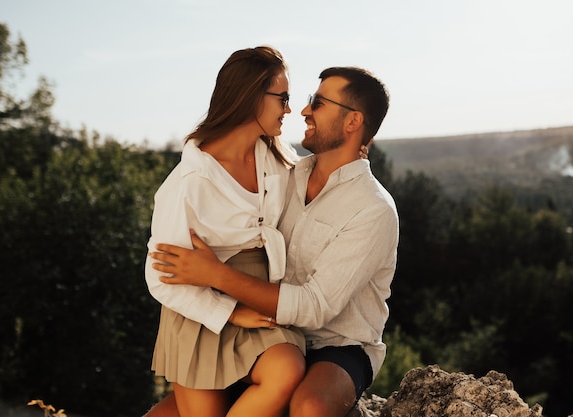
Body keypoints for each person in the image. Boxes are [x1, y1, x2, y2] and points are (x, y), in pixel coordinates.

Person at [150, 66, 399, 417]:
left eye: (318, 102)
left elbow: (314, 308)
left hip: (336, 345)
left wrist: (214, 275)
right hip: (266, 331)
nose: (303, 110)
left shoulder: (373, 210)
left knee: (310, 407)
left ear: (353, 121)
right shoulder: (284, 175)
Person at [143, 46, 307, 417]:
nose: (289, 108)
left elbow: (311, 189)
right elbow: (159, 276)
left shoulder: (276, 154)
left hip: (260, 296)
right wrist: (229, 312)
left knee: (286, 369)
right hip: (202, 310)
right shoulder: (189, 182)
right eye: (282, 98)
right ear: (250, 97)